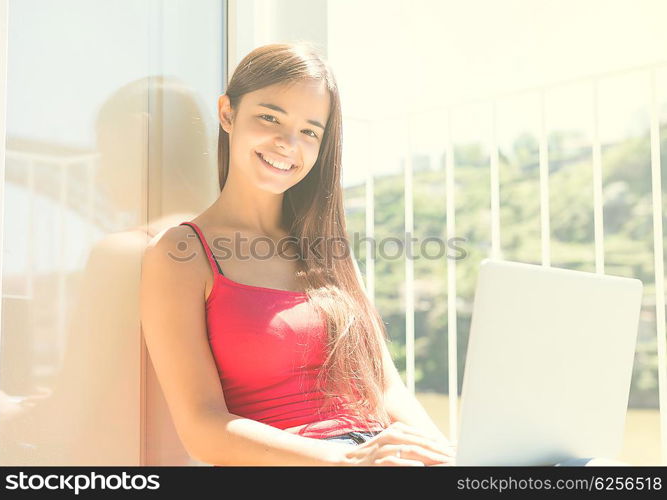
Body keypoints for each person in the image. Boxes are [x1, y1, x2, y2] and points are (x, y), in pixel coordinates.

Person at [140, 42, 456, 466]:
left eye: (309, 131)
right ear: (227, 113)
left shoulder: (329, 249)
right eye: (270, 117)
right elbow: (202, 425)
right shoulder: (181, 254)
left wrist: (451, 461)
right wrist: (346, 463)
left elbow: (386, 390)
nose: (288, 143)